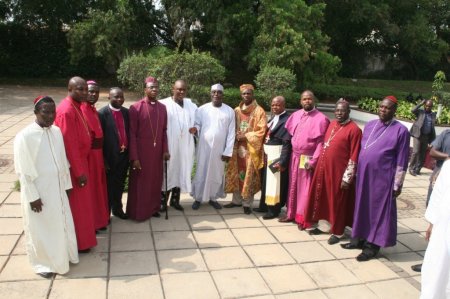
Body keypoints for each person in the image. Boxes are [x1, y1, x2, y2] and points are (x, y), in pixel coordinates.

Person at [14, 96, 78, 278]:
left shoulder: (56, 131)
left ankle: (62, 257)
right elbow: (24, 171)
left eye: (53, 112)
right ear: (36, 112)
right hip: (40, 191)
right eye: (45, 112)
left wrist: (66, 184)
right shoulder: (24, 137)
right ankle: (43, 264)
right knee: (42, 228)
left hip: (57, 188)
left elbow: (63, 161)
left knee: (60, 225)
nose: (50, 116)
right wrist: (33, 196)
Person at [341, 96, 410, 262]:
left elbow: (402, 160)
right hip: (364, 176)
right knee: (362, 208)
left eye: (387, 108)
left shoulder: (401, 131)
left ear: (394, 110)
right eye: (381, 107)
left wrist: (397, 184)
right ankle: (359, 239)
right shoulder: (370, 125)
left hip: (383, 179)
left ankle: (372, 247)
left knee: (377, 212)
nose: (383, 110)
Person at [305, 99, 362, 244]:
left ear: (349, 112)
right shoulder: (332, 124)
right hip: (323, 169)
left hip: (338, 173)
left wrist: (347, 177)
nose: (339, 113)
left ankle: (338, 232)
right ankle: (324, 226)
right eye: (337, 110)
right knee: (323, 198)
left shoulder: (354, 130)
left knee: (337, 202)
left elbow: (354, 155)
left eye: (342, 110)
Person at [54, 76, 97, 252]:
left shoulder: (77, 106)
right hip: (74, 168)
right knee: (78, 207)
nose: (85, 92)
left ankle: (85, 240)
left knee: (84, 206)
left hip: (81, 162)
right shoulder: (66, 111)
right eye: (80, 89)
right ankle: (80, 243)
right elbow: (69, 145)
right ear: (70, 89)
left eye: (85, 89)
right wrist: (79, 172)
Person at [280, 90, 329, 230]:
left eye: (309, 99)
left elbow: (321, 143)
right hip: (295, 156)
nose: (307, 101)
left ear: (313, 101)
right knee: (293, 185)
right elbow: (289, 137)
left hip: (308, 158)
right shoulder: (295, 115)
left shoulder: (321, 118)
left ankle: (304, 218)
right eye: (304, 99)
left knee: (305, 189)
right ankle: (291, 214)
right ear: (300, 101)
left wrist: (313, 161)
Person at [127, 76, 170, 221]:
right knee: (141, 183)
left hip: (157, 152)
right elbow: (131, 134)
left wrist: (165, 150)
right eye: (151, 87)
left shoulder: (162, 108)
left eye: (156, 87)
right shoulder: (136, 107)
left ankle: (153, 209)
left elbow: (164, 131)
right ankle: (138, 213)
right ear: (145, 89)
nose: (154, 89)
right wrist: (134, 157)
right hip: (142, 153)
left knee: (155, 181)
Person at [191, 83, 235, 210]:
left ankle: (213, 198)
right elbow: (197, 124)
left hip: (220, 150)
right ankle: (198, 198)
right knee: (201, 171)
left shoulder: (229, 111)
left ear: (222, 94)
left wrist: (228, 151)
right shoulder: (202, 109)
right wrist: (195, 128)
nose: (216, 94)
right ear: (210, 94)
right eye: (214, 92)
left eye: (219, 92)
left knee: (217, 173)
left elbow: (231, 132)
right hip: (204, 147)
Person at [411, 129, 450, 273]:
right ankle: (429, 261)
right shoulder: (446, 134)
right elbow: (432, 152)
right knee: (433, 223)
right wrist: (448, 158)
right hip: (438, 183)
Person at [224, 84, 267, 214]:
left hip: (250, 149)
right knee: (236, 173)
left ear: (252, 95)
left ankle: (247, 203)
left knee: (249, 175)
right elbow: (230, 126)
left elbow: (261, 130)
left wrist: (246, 136)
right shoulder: (236, 110)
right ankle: (236, 201)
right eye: (244, 94)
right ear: (241, 95)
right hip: (237, 148)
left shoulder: (259, 111)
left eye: (248, 93)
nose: (246, 95)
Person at [160, 80, 198, 211]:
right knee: (169, 171)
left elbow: (198, 121)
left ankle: (175, 200)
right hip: (171, 144)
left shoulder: (191, 105)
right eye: (178, 89)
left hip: (186, 144)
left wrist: (196, 128)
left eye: (183, 90)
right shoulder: (164, 104)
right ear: (173, 89)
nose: (181, 92)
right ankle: (162, 201)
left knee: (182, 169)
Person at [81, 80, 109, 231]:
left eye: (96, 92)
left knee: (98, 188)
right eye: (90, 91)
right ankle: (92, 223)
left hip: (98, 155)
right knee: (91, 190)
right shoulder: (82, 110)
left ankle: (100, 219)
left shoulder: (93, 110)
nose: (93, 94)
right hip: (89, 155)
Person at [256, 96, 291, 219]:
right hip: (268, 154)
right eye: (273, 105)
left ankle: (274, 210)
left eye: (277, 105)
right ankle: (264, 205)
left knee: (275, 183)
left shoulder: (287, 120)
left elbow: (287, 143)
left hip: (277, 154)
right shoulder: (274, 118)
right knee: (266, 181)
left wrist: (282, 161)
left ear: (283, 105)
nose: (275, 107)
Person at [98, 87, 129, 220]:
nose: (119, 99)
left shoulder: (126, 112)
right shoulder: (102, 114)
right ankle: (106, 212)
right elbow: (100, 139)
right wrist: (104, 159)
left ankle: (118, 209)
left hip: (124, 155)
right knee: (109, 187)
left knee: (120, 184)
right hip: (110, 157)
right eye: (116, 97)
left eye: (121, 97)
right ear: (109, 97)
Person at [420, 160, 450, 299]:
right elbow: (438, 194)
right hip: (443, 229)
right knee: (436, 272)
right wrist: (432, 223)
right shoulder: (448, 166)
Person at [409, 99, 436, 176]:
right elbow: (413, 110)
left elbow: (432, 127)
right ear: (425, 105)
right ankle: (411, 168)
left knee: (423, 154)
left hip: (426, 136)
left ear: (432, 107)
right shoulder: (420, 112)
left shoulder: (433, 115)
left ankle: (417, 169)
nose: (427, 107)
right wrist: (420, 103)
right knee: (416, 151)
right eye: (426, 105)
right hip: (418, 134)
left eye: (429, 106)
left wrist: (432, 140)